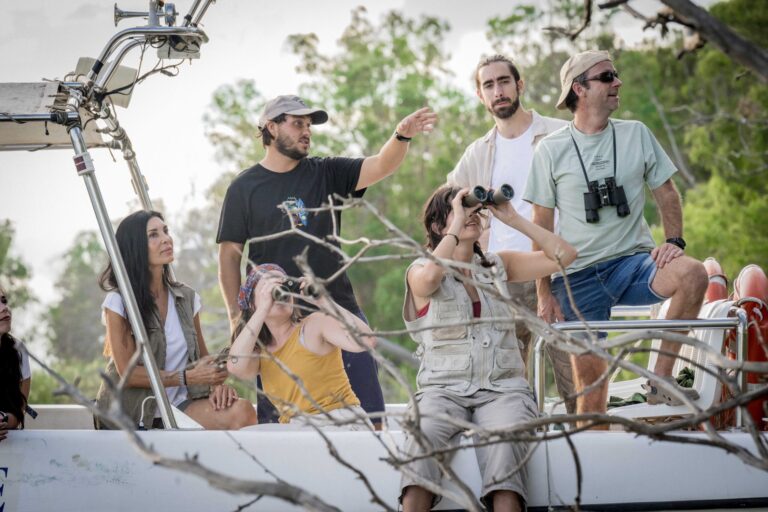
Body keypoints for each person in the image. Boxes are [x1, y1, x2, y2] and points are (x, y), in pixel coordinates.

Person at [217, 94, 437, 425]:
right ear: (271, 128)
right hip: (277, 325)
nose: (307, 131)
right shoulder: (243, 188)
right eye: (297, 123)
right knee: (282, 427)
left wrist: (401, 136)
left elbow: (380, 165)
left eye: (309, 125)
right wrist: (238, 317)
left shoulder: (326, 172)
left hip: (335, 308)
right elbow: (229, 256)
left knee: (370, 419)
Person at [524, 50, 708, 423]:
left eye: (615, 75)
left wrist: (673, 242)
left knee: (694, 274)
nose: (617, 82)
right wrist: (544, 292)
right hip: (576, 278)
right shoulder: (550, 149)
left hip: (633, 263)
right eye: (607, 77)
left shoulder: (636, 133)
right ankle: (595, 464)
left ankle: (660, 379)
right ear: (580, 89)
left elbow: (666, 192)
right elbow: (540, 227)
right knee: (592, 402)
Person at [399, 186, 577, 512]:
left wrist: (512, 218)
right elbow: (430, 279)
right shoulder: (419, 271)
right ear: (439, 226)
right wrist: (455, 221)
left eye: (474, 210)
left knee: (506, 461)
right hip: (443, 391)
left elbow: (564, 255)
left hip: (503, 390)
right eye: (459, 209)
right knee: (420, 452)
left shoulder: (498, 266)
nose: (470, 215)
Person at [447, 54, 575, 412]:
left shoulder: (559, 133)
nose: (497, 91)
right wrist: (474, 245)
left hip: (559, 270)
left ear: (519, 85)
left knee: (575, 380)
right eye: (488, 85)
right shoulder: (478, 152)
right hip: (502, 277)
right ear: (480, 94)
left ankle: (590, 447)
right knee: (510, 390)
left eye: (504, 82)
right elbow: (448, 203)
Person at [95, 210, 257, 430]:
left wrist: (217, 386)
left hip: (178, 405)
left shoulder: (186, 298)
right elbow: (129, 373)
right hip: (135, 413)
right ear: (135, 246)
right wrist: (185, 377)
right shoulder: (119, 301)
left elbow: (202, 358)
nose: (165, 239)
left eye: (165, 231)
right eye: (153, 235)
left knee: (242, 411)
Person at [227, 264, 376, 429]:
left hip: (339, 422)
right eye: (268, 287)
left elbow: (367, 341)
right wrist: (261, 310)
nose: (278, 291)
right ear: (253, 304)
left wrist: (323, 301)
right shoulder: (260, 352)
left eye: (283, 285)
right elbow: (235, 367)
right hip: (299, 429)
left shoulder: (313, 325)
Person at [0, 285, 31, 441]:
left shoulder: (18, 350)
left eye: (3, 300)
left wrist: (3, 419)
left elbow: (19, 412)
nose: (4, 308)